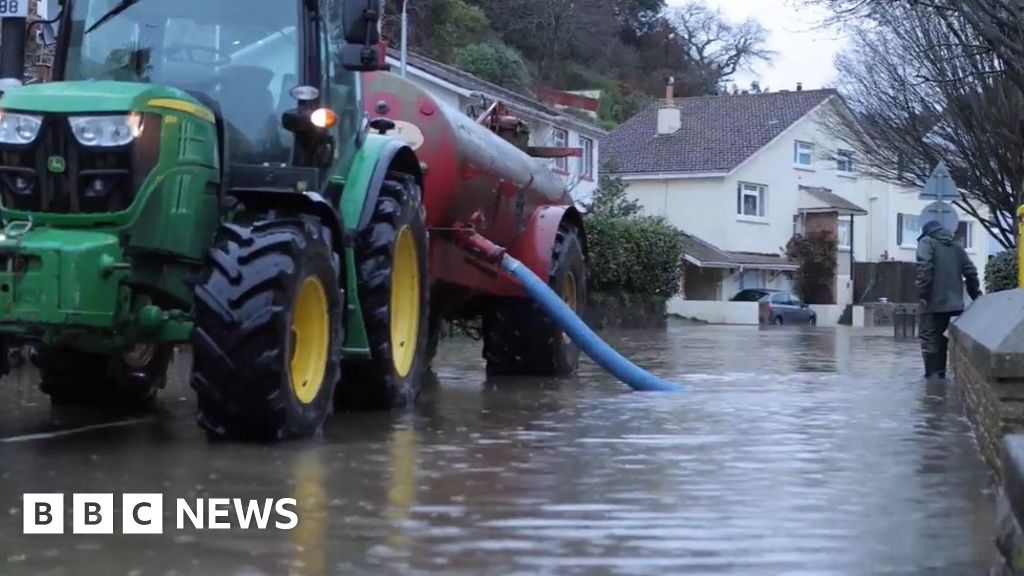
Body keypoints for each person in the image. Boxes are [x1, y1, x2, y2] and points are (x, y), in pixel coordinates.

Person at [916, 219, 982, 379]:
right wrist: (976, 295)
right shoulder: (957, 247)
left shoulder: (927, 242)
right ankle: (940, 374)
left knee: (929, 335)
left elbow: (924, 268)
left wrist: (922, 294)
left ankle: (933, 378)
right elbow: (971, 272)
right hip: (954, 303)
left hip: (932, 301)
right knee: (939, 335)